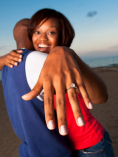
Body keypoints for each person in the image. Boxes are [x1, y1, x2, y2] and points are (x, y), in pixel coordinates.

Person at [1, 8, 114, 157]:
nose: (42, 38)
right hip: (64, 145)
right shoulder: (34, 64)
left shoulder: (67, 65)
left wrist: (66, 51)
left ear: (61, 37)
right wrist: (2, 60)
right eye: (37, 32)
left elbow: (102, 97)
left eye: (51, 32)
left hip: (91, 144)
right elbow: (22, 25)